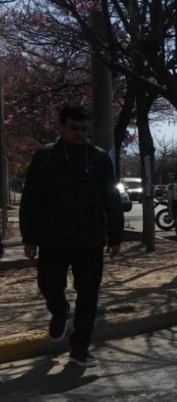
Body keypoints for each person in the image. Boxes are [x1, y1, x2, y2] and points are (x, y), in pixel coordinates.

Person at [19, 105, 124, 368]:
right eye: (74, 128)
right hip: (53, 238)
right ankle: (60, 311)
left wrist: (115, 236)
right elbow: (31, 199)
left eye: (84, 129)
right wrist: (28, 237)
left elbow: (111, 197)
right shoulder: (45, 157)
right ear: (62, 127)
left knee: (88, 296)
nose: (79, 133)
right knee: (48, 285)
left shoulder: (98, 158)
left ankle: (80, 350)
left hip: (90, 239)